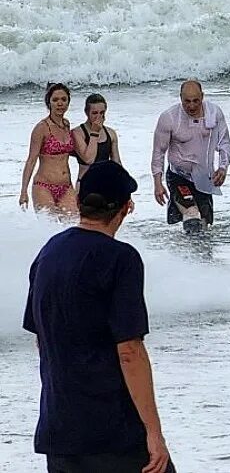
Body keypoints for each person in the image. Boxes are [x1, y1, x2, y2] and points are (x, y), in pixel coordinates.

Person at [23, 161, 175, 473]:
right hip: (113, 433)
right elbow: (130, 351)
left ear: (78, 201)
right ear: (126, 208)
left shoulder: (48, 252)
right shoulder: (121, 259)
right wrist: (154, 433)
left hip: (60, 430)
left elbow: (41, 339)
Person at [151, 79, 230, 233]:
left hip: (204, 178)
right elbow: (158, 152)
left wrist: (223, 168)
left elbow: (225, 144)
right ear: (180, 98)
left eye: (196, 100)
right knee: (191, 216)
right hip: (179, 176)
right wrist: (157, 182)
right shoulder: (169, 118)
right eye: (187, 101)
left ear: (202, 96)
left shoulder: (214, 113)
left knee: (203, 226)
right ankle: (187, 256)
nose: (192, 106)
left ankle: (196, 255)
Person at [19, 83, 98, 215]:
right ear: (49, 103)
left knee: (73, 225)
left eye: (63, 99)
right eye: (55, 100)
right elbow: (31, 160)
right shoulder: (41, 128)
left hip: (66, 187)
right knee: (49, 228)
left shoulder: (66, 125)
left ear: (68, 102)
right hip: (43, 186)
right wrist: (23, 191)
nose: (60, 103)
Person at [72, 93, 124, 182]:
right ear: (86, 112)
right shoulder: (77, 133)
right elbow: (88, 159)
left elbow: (116, 163)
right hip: (86, 183)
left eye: (102, 113)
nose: (98, 117)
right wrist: (94, 133)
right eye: (94, 113)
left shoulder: (111, 133)